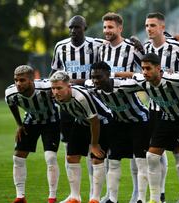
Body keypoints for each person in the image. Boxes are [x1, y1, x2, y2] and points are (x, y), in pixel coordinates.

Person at [116, 53, 179, 203]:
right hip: (168, 119)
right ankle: (154, 199)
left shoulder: (173, 79)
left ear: (158, 68)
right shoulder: (142, 80)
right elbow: (133, 75)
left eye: (148, 68)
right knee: (151, 156)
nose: (145, 72)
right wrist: (112, 74)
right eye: (143, 68)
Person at [50, 15, 103, 203]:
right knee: (70, 149)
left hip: (89, 101)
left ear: (85, 28)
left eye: (77, 27)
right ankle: (75, 195)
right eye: (71, 27)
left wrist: (136, 43)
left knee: (93, 150)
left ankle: (94, 196)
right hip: (67, 105)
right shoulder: (60, 47)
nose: (73, 31)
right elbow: (54, 72)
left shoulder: (97, 45)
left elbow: (110, 58)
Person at [85, 61, 150, 203]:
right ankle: (112, 199)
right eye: (93, 77)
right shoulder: (91, 86)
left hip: (139, 122)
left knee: (140, 160)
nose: (95, 80)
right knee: (113, 160)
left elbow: (145, 79)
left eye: (99, 77)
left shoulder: (125, 85)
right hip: (119, 123)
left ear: (108, 75)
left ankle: (141, 199)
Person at [99, 12, 145, 203]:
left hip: (134, 110)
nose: (107, 31)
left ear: (120, 28)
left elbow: (144, 73)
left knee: (139, 158)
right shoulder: (102, 50)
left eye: (110, 27)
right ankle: (111, 197)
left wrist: (117, 75)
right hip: (113, 113)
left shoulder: (130, 48)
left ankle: (139, 195)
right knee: (113, 157)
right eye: (104, 27)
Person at [144, 12, 179, 203]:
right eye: (147, 26)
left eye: (153, 25)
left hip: (178, 108)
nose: (149, 29)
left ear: (163, 27)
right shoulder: (145, 48)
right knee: (156, 152)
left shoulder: (177, 48)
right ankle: (159, 194)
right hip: (155, 108)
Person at [50, 71, 113, 203]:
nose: (56, 92)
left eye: (59, 88)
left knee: (97, 158)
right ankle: (75, 197)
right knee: (71, 157)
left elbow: (95, 121)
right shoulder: (53, 95)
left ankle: (95, 199)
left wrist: (94, 144)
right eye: (53, 88)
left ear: (69, 87)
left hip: (102, 122)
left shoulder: (81, 97)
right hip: (81, 121)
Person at [5, 65, 60, 203]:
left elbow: (62, 96)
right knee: (18, 157)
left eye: (22, 80)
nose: (18, 83)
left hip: (51, 121)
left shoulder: (47, 87)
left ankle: (52, 197)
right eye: (16, 80)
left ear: (31, 80)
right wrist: (19, 124)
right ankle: (20, 197)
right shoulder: (10, 92)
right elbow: (12, 105)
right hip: (30, 121)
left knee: (50, 157)